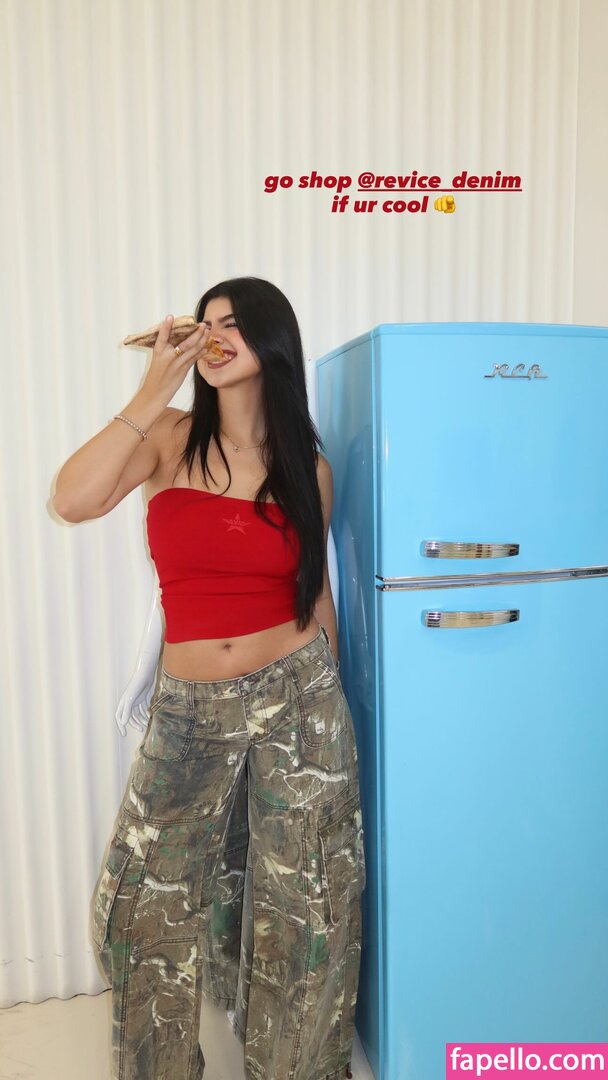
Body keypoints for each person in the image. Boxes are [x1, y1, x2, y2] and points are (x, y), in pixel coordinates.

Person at [52, 276, 366, 1080]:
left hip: (300, 699)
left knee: (307, 906)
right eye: (206, 324)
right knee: (137, 908)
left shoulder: (308, 469)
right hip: (191, 709)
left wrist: (337, 709)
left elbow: (317, 597)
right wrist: (154, 383)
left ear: (272, 341)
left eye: (234, 323)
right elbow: (73, 499)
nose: (217, 336)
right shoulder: (168, 435)